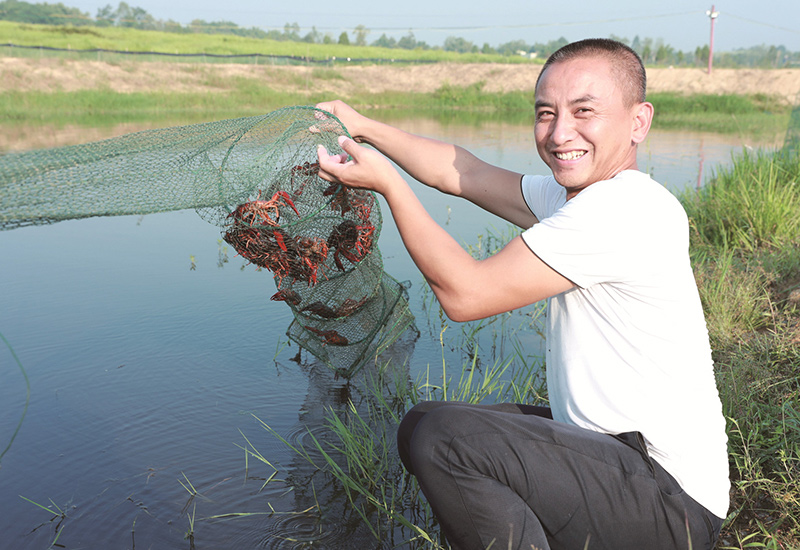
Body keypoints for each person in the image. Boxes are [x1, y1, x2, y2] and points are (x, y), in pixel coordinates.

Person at [314, 38, 729, 550]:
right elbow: (462, 174)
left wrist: (390, 187)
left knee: (444, 440)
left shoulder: (626, 210)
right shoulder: (583, 197)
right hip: (621, 460)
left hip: (671, 505)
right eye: (546, 113)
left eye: (584, 112)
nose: (559, 133)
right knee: (421, 423)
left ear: (638, 121)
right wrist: (365, 127)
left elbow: (466, 296)